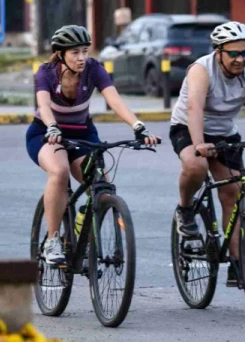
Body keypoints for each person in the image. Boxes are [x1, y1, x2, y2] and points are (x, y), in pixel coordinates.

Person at [28, 24, 159, 267]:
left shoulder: (94, 69)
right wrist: (52, 126)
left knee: (103, 189)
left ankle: (80, 229)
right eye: (75, 52)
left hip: (82, 135)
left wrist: (138, 126)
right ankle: (53, 240)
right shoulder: (45, 73)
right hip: (46, 133)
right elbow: (44, 106)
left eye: (85, 51)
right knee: (59, 171)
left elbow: (115, 101)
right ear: (61, 54)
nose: (81, 58)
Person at [170, 21, 245, 284]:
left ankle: (237, 266)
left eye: (244, 52)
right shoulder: (202, 70)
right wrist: (199, 143)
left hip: (225, 133)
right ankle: (185, 209)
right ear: (219, 52)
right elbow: (194, 109)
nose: (239, 59)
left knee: (233, 194)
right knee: (196, 167)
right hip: (189, 128)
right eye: (233, 53)